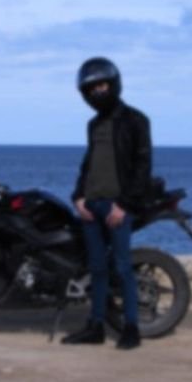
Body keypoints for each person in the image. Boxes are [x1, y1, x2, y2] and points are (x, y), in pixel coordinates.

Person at [61, 56, 152, 350]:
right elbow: (88, 164)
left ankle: (131, 329)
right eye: (91, 88)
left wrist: (124, 205)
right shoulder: (93, 124)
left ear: (113, 84)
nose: (97, 92)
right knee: (97, 269)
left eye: (101, 85)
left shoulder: (136, 120)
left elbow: (142, 167)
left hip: (116, 207)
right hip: (92, 207)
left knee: (123, 268)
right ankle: (96, 327)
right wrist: (78, 198)